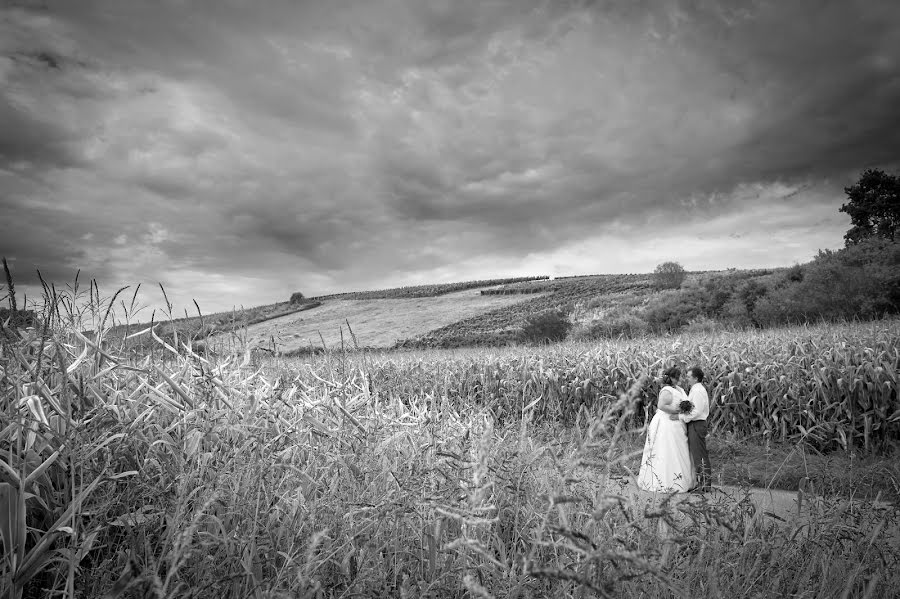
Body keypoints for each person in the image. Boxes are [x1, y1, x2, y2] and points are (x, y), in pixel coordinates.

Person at [637, 366, 695, 493]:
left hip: (677, 423)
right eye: (678, 377)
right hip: (667, 423)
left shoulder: (678, 389)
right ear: (673, 378)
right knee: (666, 449)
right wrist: (679, 411)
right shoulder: (667, 390)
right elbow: (661, 406)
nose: (680, 379)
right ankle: (665, 480)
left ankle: (682, 479)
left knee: (679, 448)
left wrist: (684, 411)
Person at [672, 365, 711, 492]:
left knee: (699, 455)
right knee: (697, 454)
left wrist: (681, 417)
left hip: (697, 424)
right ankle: (702, 484)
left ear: (695, 378)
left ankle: (704, 486)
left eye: (689, 377)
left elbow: (697, 411)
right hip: (695, 424)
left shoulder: (698, 391)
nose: (687, 379)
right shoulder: (695, 389)